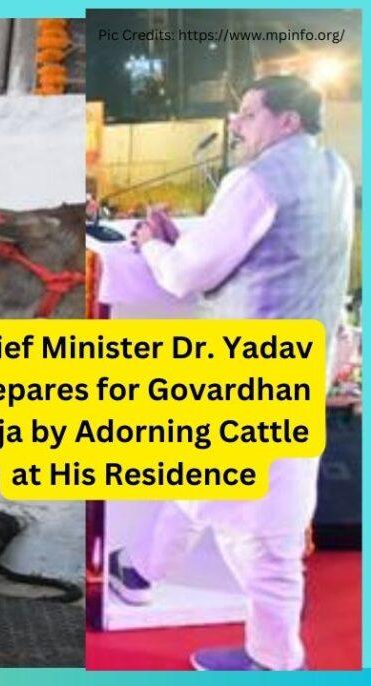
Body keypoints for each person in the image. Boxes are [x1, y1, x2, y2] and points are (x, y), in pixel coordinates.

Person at [111, 75, 354, 671]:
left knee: (258, 527)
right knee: (214, 482)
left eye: (248, 115)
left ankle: (274, 660)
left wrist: (149, 245)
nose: (237, 126)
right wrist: (184, 242)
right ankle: (141, 575)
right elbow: (277, 253)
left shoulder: (255, 179)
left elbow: (183, 277)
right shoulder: (335, 171)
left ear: (286, 120)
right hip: (304, 361)